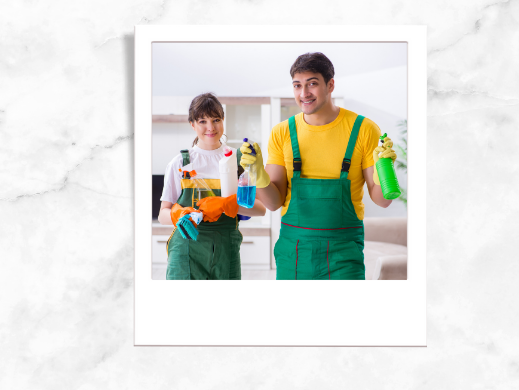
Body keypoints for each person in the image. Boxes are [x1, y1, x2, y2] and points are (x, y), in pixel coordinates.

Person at [240, 53, 397, 280]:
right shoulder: (282, 132)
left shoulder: (363, 129)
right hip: (293, 253)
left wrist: (385, 168)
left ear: (330, 84)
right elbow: (274, 204)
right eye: (297, 85)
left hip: (344, 256)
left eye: (312, 84)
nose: (304, 94)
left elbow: (382, 201)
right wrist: (257, 173)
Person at [159, 93, 266, 280]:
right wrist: (179, 215)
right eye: (202, 121)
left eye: (216, 119)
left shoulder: (238, 160)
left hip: (226, 251)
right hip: (185, 251)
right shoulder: (179, 163)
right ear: (192, 124)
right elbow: (162, 214)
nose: (210, 127)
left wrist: (226, 204)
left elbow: (261, 209)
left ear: (223, 119)